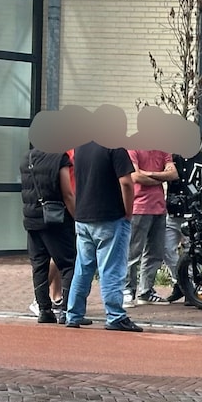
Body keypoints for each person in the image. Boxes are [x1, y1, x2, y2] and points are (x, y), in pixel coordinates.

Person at [67, 140, 140, 332]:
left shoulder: (80, 147)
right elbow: (126, 183)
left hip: (83, 216)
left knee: (83, 267)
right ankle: (115, 315)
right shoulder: (115, 147)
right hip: (110, 216)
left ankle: (73, 314)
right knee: (112, 268)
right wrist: (128, 212)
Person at [20, 147, 78, 324]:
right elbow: (67, 193)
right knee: (68, 263)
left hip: (31, 218)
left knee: (39, 265)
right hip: (55, 219)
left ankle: (44, 310)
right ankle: (68, 311)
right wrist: (77, 218)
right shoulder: (59, 158)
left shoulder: (27, 157)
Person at [164, 139, 202, 304]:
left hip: (196, 214)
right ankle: (182, 283)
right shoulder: (172, 159)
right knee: (165, 249)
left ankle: (191, 289)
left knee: (193, 252)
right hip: (173, 213)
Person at [126, 149, 177, 305]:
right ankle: (127, 290)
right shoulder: (133, 148)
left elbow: (173, 174)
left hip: (159, 207)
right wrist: (161, 177)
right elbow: (135, 176)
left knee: (155, 253)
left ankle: (145, 291)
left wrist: (147, 174)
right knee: (132, 253)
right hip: (138, 207)